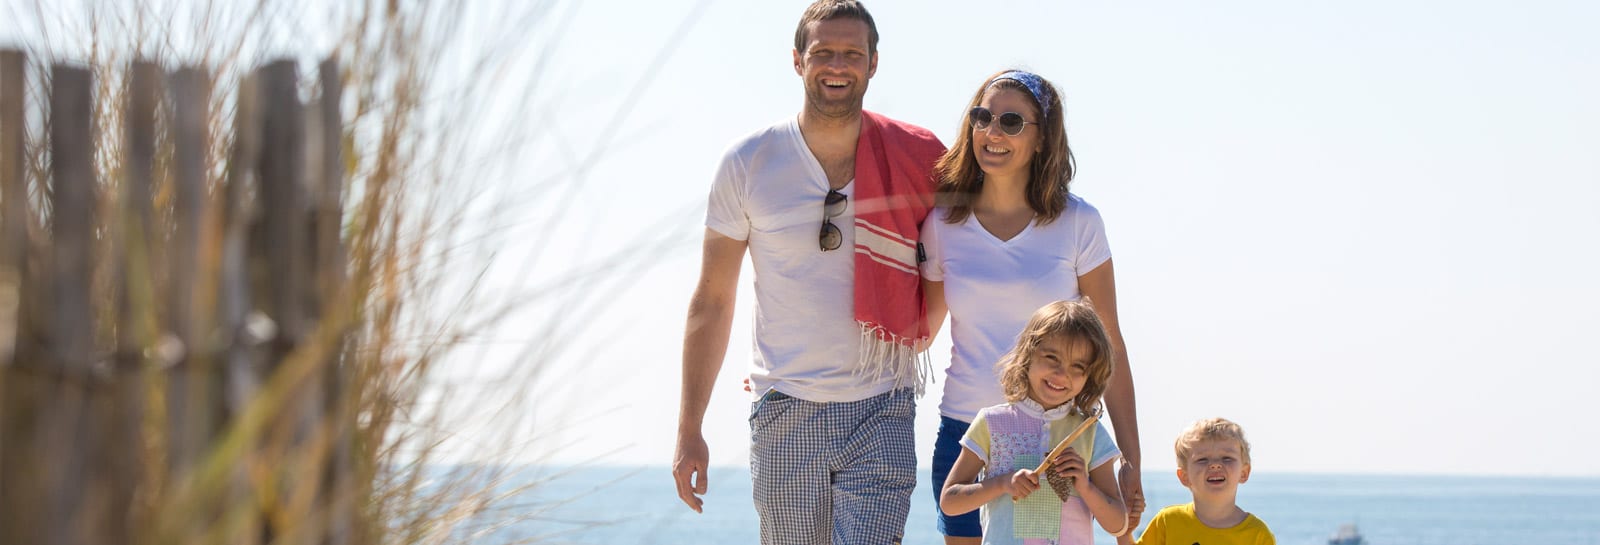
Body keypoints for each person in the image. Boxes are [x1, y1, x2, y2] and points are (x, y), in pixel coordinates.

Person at [670, 1, 946, 543]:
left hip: (882, 405)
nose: (837, 66)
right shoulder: (748, 162)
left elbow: (973, 244)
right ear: (798, 61)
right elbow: (713, 300)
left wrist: (921, 336)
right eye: (823, 53)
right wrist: (689, 429)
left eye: (851, 54)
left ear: (873, 64)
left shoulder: (921, 158)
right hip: (785, 411)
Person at [920, 69, 1145, 544]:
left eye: (1011, 121)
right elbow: (920, 330)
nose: (992, 132)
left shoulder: (1079, 222)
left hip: (1061, 437)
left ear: (1043, 139)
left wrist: (1130, 459)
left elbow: (1111, 345)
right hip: (968, 433)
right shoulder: (943, 223)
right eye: (982, 118)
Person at [938, 300, 1128, 545]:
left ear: (1090, 376)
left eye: (1077, 366)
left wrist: (1084, 486)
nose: (1062, 374)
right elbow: (950, 502)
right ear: (1028, 353)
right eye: (1052, 358)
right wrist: (1003, 483)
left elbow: (1117, 524)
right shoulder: (991, 422)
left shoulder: (1090, 432)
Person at [1117, 418, 1276, 545]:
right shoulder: (1168, 521)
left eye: (1227, 458)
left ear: (1244, 473)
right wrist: (1125, 530)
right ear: (1184, 476)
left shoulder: (1258, 535)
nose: (1215, 464)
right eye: (1202, 459)